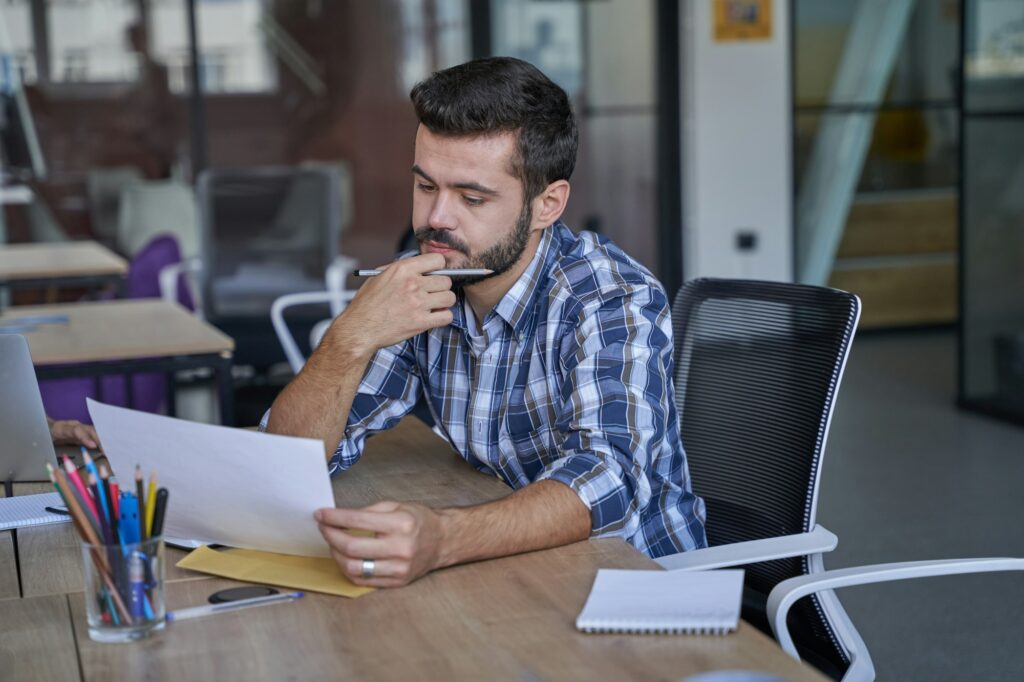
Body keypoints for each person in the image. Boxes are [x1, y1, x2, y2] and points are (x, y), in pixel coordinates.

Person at [264, 57, 706, 588]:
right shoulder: (428, 278)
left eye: (472, 197)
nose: (436, 220)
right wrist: (350, 337)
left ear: (547, 205)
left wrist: (443, 538)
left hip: (638, 582)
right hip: (515, 566)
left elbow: (606, 482)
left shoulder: (609, 298)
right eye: (426, 187)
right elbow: (289, 462)